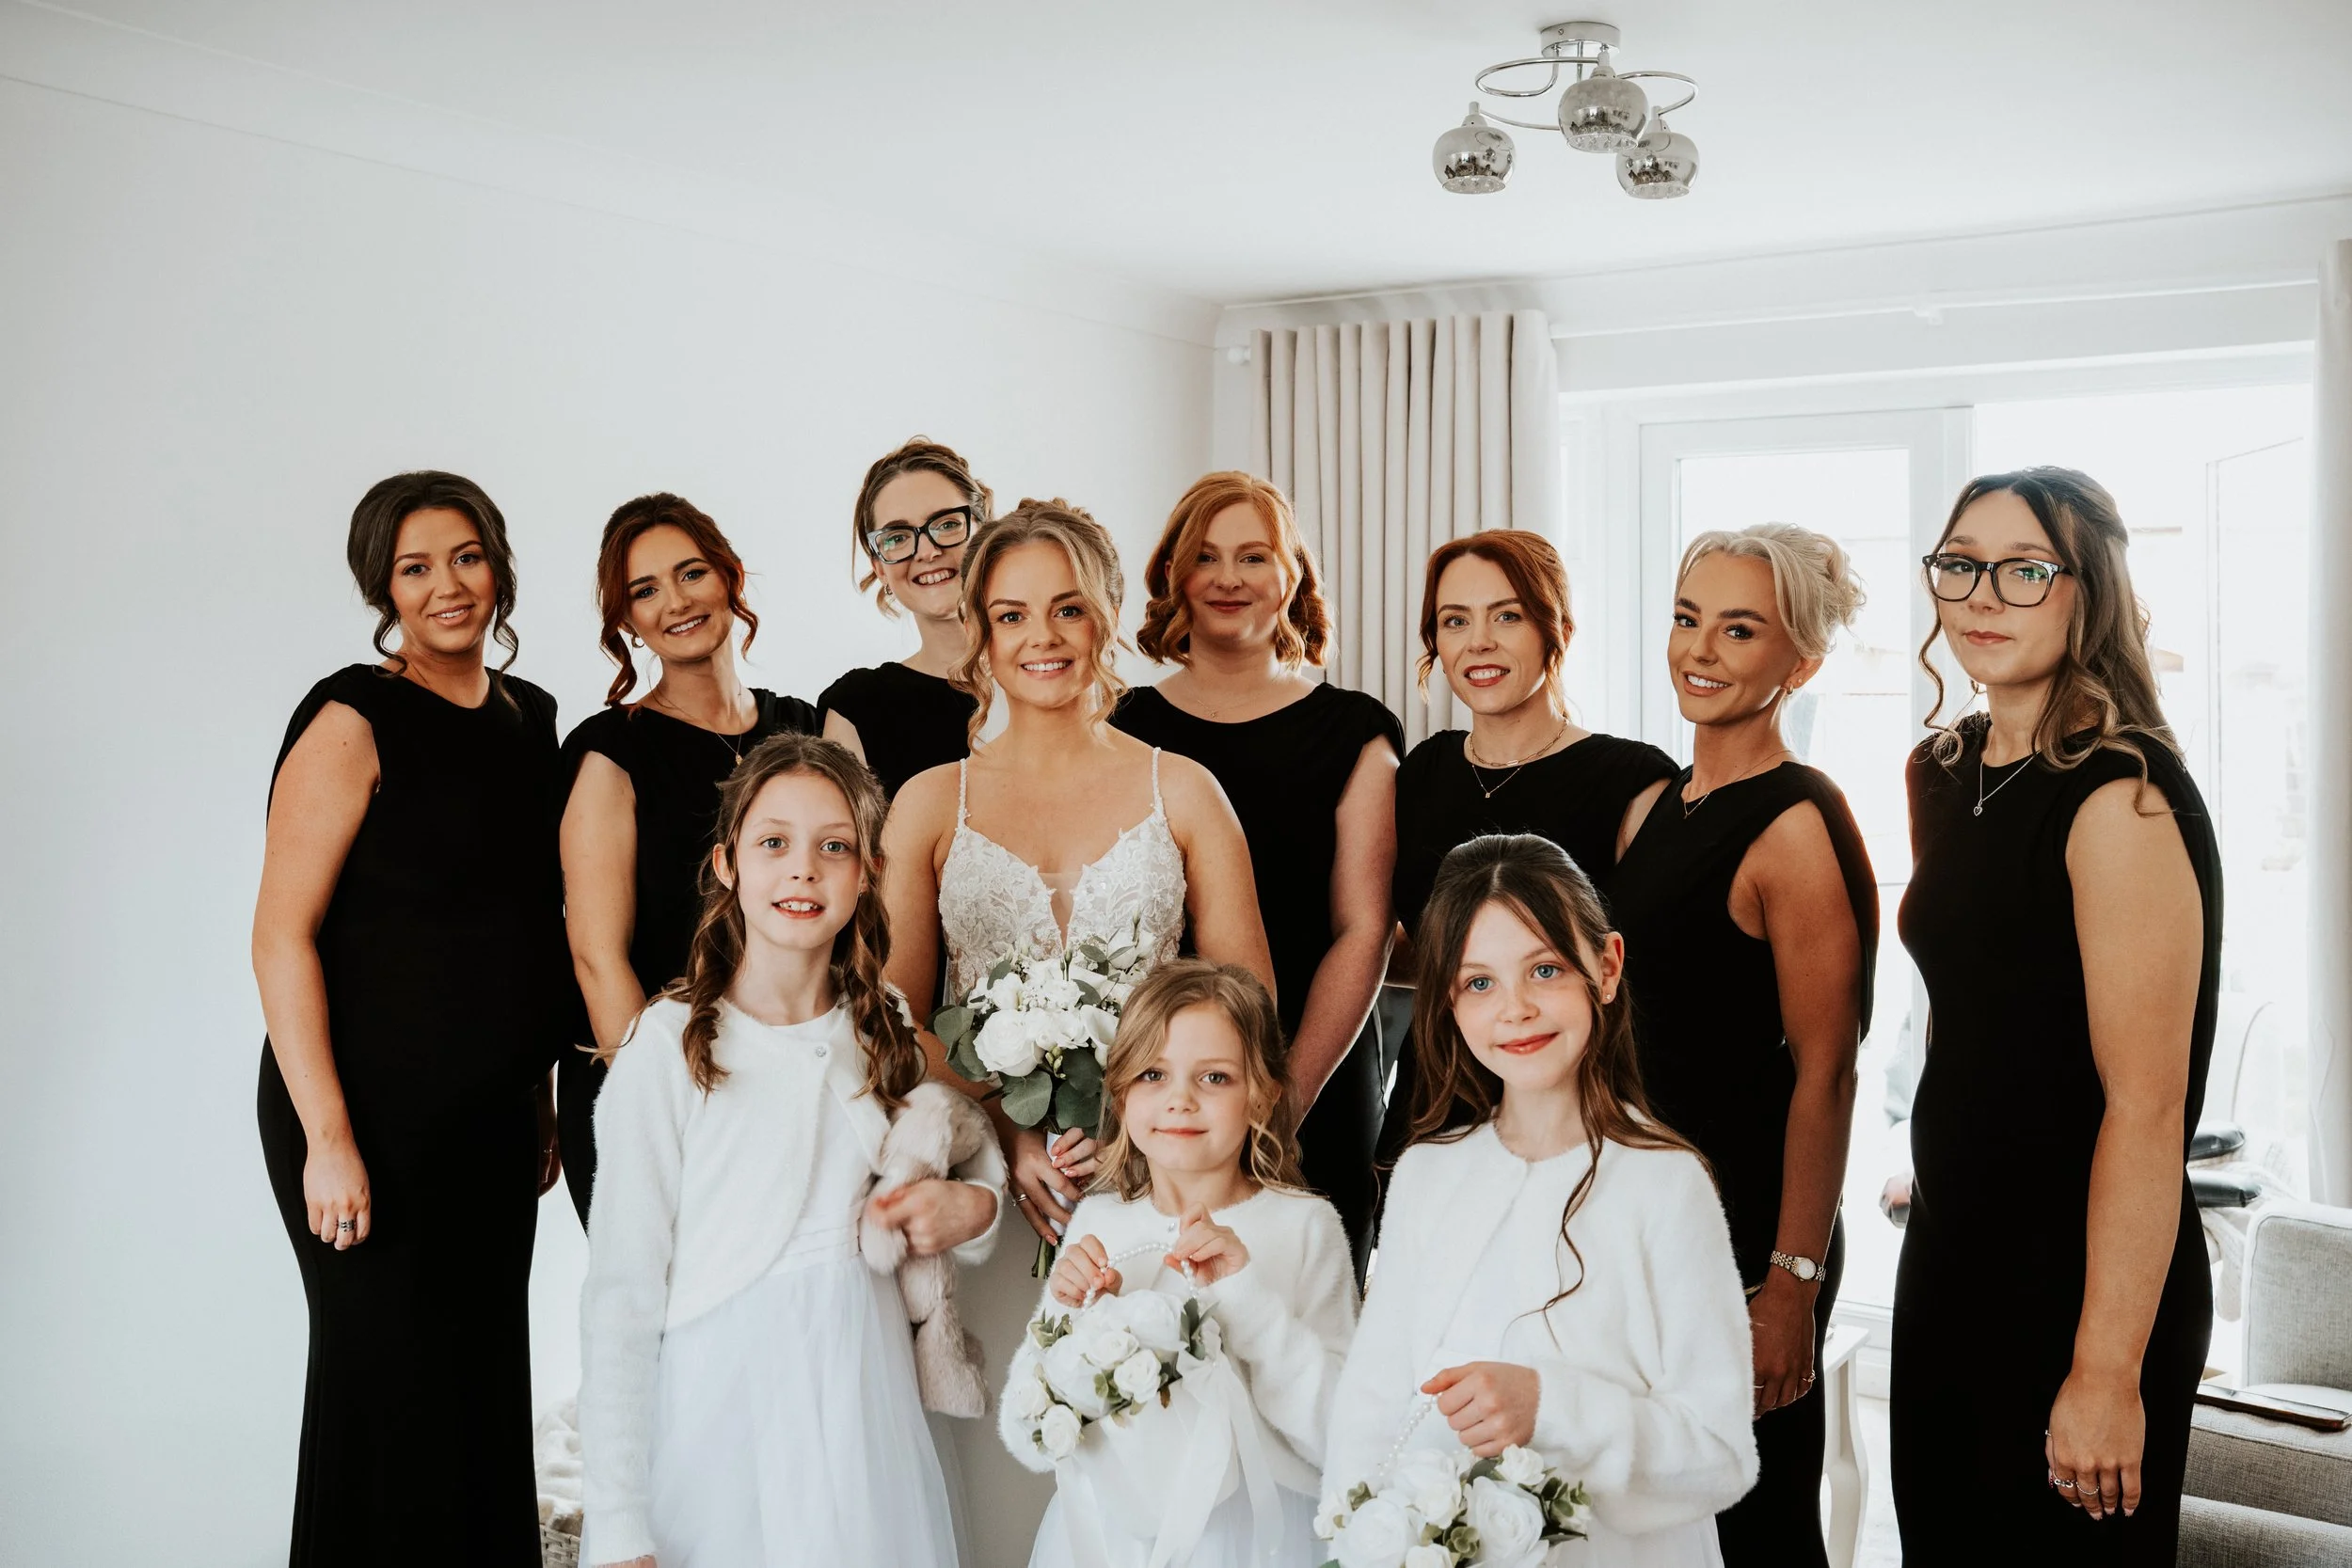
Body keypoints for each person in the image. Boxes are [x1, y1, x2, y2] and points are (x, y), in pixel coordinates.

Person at [882, 498, 1275, 1556]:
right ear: (981, 630)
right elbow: (895, 1020)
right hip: (993, 1195)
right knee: (1004, 1472)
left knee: (1148, 1482)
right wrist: (1007, 1131)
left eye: (1065, 608)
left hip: (1162, 1183)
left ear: (1105, 615)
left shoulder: (1182, 789)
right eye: (1011, 615)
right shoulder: (930, 801)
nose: (1041, 638)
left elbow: (1245, 1009)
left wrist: (1138, 1127)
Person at [1893, 468, 2219, 1564]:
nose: (1983, 595)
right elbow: (1973, 1000)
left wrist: (2106, 1365)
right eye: (1959, 564)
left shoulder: (2120, 794)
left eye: (2025, 568)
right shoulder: (1941, 770)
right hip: (1946, 1259)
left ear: (2089, 590)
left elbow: (2146, 1105)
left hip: (2079, 1287)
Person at [578, 734, 1000, 1568]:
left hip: (861, 1395)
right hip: (724, 1403)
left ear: (867, 871)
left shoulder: (877, 1021)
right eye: (774, 842)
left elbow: (960, 1136)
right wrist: (621, 1520)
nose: (803, 870)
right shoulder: (670, 1046)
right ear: (728, 863)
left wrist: (975, 1204)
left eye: (832, 846)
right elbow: (620, 1295)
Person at [250, 471, 571, 1565]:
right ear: (381, 587)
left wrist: (537, 1098)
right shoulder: (354, 715)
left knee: (482, 1386)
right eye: (416, 566)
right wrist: (329, 1140)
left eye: (466, 555)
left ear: (500, 563)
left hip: (487, 1123)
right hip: (362, 1118)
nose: (449, 585)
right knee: (383, 1391)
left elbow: (524, 928)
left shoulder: (536, 722)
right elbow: (279, 937)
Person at [1323, 835, 1757, 1566]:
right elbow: (1372, 1402)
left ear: (1608, 967)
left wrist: (1550, 1408)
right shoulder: (1428, 1172)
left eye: (1545, 969)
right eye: (1480, 983)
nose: (1516, 1008)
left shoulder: (1666, 1184)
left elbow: (1720, 1452)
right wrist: (1352, 1538)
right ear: (1448, 1002)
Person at [1611, 524, 1877, 1568]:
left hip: (1751, 1236)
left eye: (1738, 629)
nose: (1700, 651)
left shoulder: (1798, 823)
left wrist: (1790, 1280)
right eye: (1686, 619)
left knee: (1758, 1532)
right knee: (1662, 1520)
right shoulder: (1648, 808)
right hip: (1652, 1223)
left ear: (1798, 662)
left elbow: (1830, 1068)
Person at [1114, 472, 1401, 1272]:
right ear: (1174, 576)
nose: (1229, 578)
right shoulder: (1125, 726)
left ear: (1292, 577)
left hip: (1318, 1072)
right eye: (1206, 557)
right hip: (1163, 1094)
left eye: (1253, 556)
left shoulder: (1356, 728)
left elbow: (1364, 929)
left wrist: (1280, 1098)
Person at [1000, 959, 1357, 1568]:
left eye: (1214, 1076)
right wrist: (1065, 1316)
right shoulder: (1100, 1223)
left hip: (1254, 1541)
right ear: (1120, 1092)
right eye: (1153, 1074)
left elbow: (1340, 1436)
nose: (1181, 1100)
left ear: (1262, 1092)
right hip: (1111, 1543)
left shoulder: (1303, 1227)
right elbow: (1025, 1435)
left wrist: (1245, 1298)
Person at [557, 493, 818, 1226]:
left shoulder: (807, 728)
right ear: (627, 620)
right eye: (645, 590)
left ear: (730, 576)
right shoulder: (611, 753)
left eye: (691, 572)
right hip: (652, 1090)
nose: (675, 601)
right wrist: (677, 1111)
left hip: (790, 1085)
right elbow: (597, 959)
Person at [1383, 531, 1677, 1164]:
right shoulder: (1422, 772)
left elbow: (1656, 984)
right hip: (1435, 1104)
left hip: (1579, 1121)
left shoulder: (1633, 781)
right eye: (1454, 620)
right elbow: (1411, 946)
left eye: (1507, 616)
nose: (1479, 641)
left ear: (1557, 630)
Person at [819, 437, 989, 798]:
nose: (927, 551)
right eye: (897, 537)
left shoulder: (1052, 673)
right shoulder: (858, 707)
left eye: (946, 524)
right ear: (880, 567)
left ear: (985, 530)